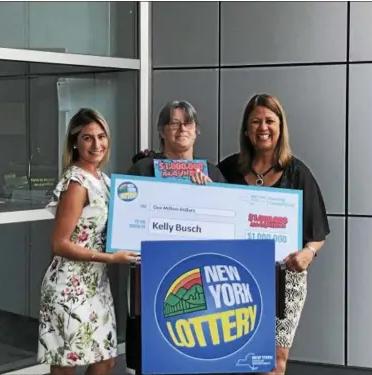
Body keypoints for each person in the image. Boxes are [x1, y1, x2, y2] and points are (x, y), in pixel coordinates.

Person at [131, 94, 330, 375]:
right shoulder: (228, 168)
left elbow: (317, 231)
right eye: (255, 121)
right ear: (246, 129)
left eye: (270, 121)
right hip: (233, 276)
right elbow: (204, 205)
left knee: (273, 360)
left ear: (281, 127)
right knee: (229, 355)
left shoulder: (297, 172)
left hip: (283, 277)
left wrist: (308, 253)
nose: (263, 127)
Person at [125, 100, 226, 375]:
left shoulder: (213, 174)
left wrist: (212, 196)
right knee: (148, 358)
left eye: (188, 123)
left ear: (197, 131)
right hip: (150, 277)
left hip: (197, 279)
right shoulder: (142, 171)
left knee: (193, 351)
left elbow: (228, 228)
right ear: (161, 130)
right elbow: (125, 222)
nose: (182, 129)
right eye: (174, 122)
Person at [37, 108, 139, 375]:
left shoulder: (104, 181)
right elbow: (59, 244)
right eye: (87, 138)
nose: (97, 144)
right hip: (68, 286)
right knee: (65, 365)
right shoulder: (76, 182)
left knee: (105, 360)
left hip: (96, 285)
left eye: (102, 136)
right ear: (74, 141)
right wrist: (111, 259)